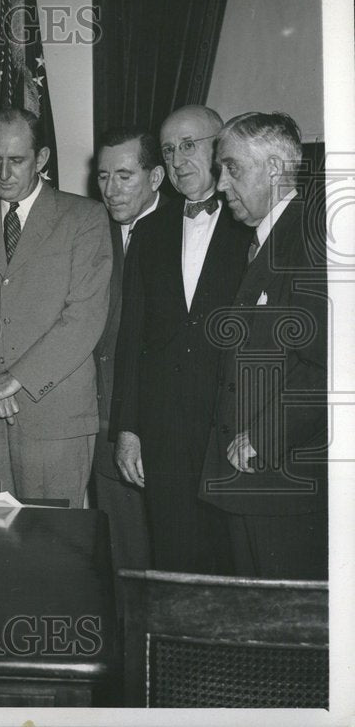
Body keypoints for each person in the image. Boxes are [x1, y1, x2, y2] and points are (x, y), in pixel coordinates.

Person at [0, 108, 111, 507]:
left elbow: (84, 318)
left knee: (54, 552)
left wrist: (15, 379)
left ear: (42, 159)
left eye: (16, 161)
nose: (3, 173)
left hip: (56, 421)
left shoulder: (84, 218)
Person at [112, 105, 253, 573]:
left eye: (189, 145)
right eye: (169, 150)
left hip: (230, 430)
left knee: (234, 564)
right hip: (164, 435)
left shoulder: (252, 225)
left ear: (221, 145)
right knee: (174, 563)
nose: (177, 159)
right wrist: (128, 430)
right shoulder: (148, 232)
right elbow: (131, 338)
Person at [199, 112, 327, 579]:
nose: (220, 184)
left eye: (232, 168)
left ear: (274, 169)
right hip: (252, 480)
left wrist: (267, 437)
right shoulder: (265, 240)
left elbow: (331, 363)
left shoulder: (311, 240)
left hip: (282, 480)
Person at [92, 127, 168, 573]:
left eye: (124, 176)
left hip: (166, 429)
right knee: (123, 560)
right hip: (103, 424)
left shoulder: (186, 228)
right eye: (103, 176)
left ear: (156, 176)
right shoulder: (89, 232)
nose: (111, 190)